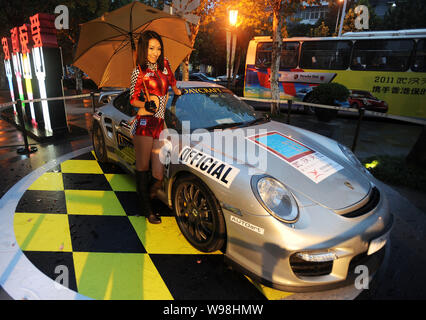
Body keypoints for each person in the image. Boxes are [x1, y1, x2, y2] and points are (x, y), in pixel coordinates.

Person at [130, 30, 181, 224]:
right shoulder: (138, 72)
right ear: (144, 49)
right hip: (144, 123)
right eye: (151, 48)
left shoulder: (165, 65)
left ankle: (146, 197)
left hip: (159, 124)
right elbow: (132, 99)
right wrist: (144, 104)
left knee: (158, 175)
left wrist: (177, 91)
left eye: (158, 48)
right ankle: (147, 209)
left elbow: (172, 81)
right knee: (142, 168)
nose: (156, 52)